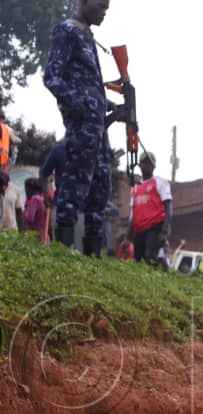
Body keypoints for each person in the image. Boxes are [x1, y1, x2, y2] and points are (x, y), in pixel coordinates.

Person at [43, 0, 114, 252]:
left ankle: (92, 258)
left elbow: (87, 85)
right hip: (83, 125)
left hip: (98, 127)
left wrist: (107, 104)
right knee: (74, 185)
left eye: (107, 7)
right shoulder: (68, 31)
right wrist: (82, 107)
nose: (104, 12)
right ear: (83, 2)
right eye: (100, 6)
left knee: (100, 187)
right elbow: (52, 77)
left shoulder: (87, 36)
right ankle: (63, 250)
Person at [128, 151, 172, 263]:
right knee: (138, 259)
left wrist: (164, 231)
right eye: (144, 163)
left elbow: (169, 205)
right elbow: (132, 215)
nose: (146, 166)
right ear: (140, 165)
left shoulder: (160, 182)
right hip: (139, 230)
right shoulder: (135, 188)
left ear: (154, 166)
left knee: (150, 257)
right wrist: (128, 238)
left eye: (149, 163)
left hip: (154, 227)